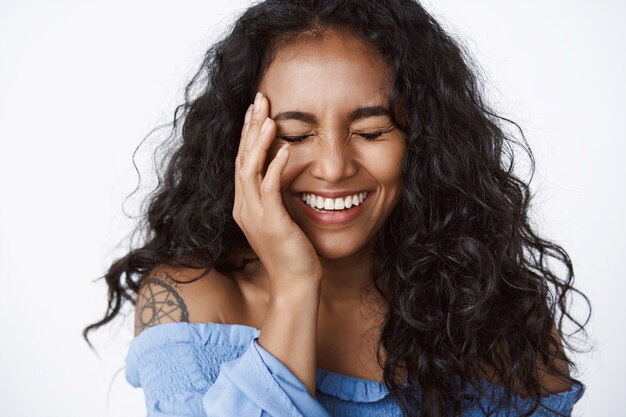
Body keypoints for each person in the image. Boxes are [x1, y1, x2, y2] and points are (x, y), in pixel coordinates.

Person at [84, 1, 590, 416]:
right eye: (295, 134)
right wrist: (295, 287)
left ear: (425, 142)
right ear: (241, 145)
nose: (332, 167)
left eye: (371, 132)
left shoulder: (496, 314)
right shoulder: (190, 302)